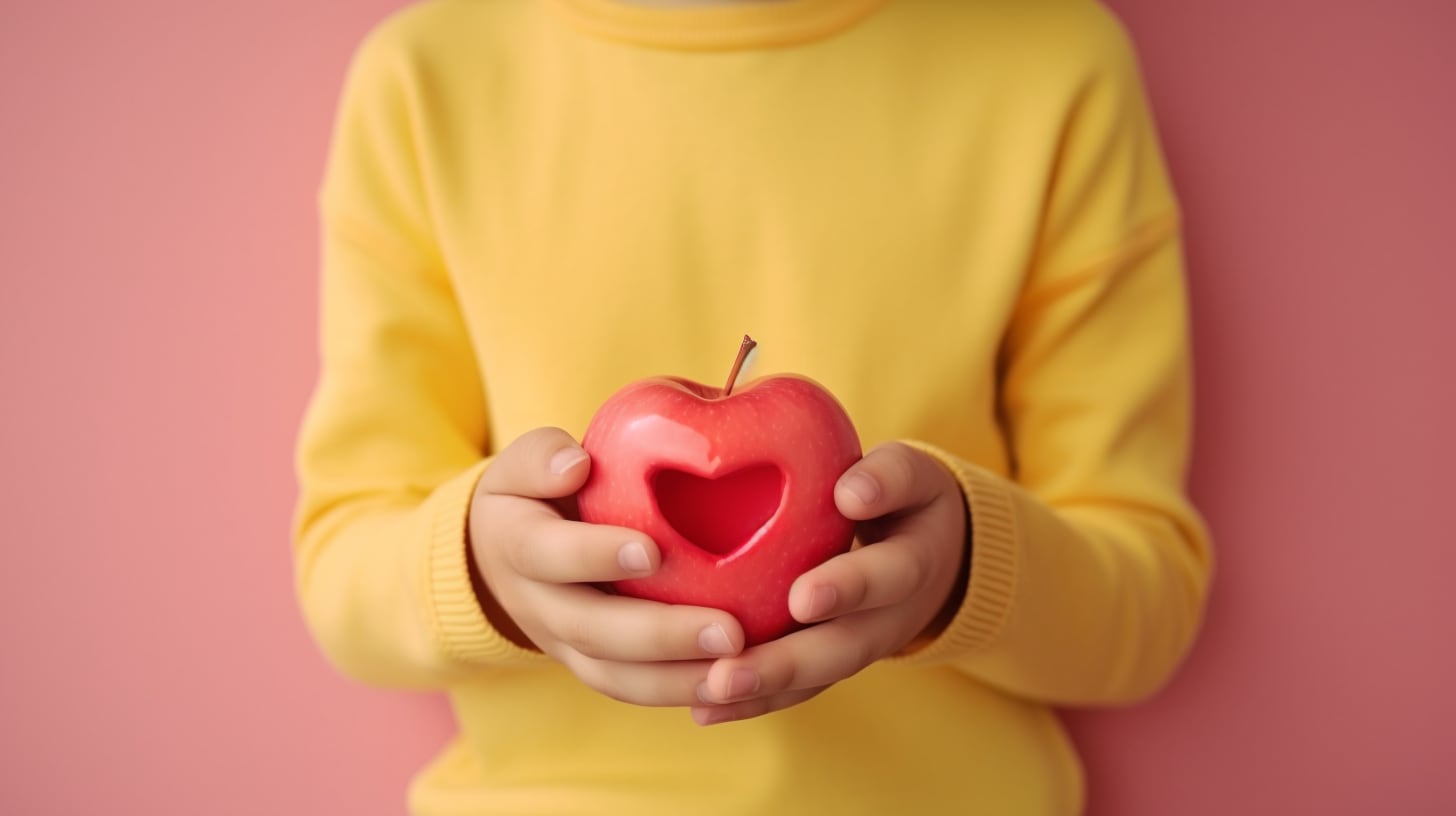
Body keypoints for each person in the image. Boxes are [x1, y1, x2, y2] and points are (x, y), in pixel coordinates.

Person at [292, 0, 1213, 813]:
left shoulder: (1053, 66)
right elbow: (341, 570)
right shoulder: (425, 81)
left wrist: (963, 569)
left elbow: (1146, 605)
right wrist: (486, 570)